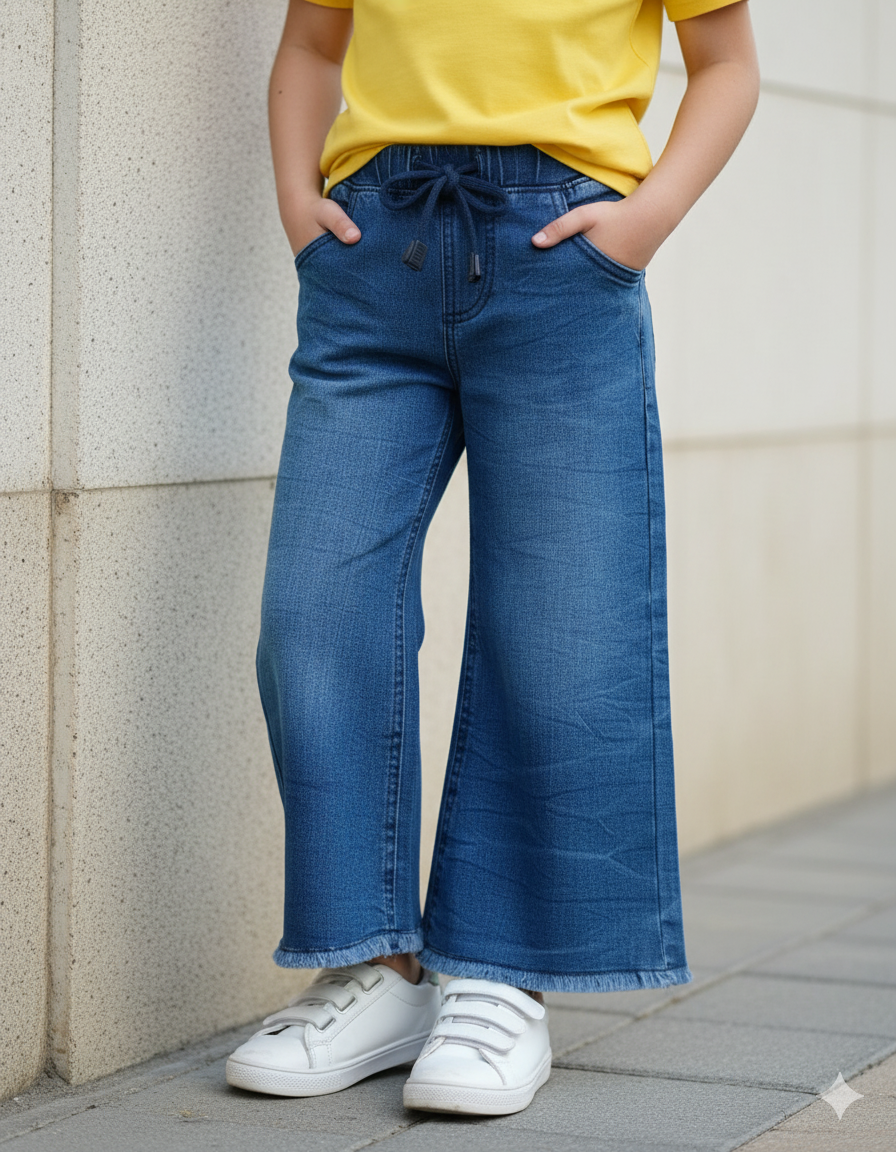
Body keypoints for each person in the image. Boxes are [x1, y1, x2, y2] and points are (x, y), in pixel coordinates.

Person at [226, 0, 759, 1117]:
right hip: (371, 260)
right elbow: (312, 44)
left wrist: (642, 221)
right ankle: (374, 967)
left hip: (561, 260)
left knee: (561, 632)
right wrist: (295, 205)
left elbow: (725, 66)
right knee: (312, 621)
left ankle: (499, 973)